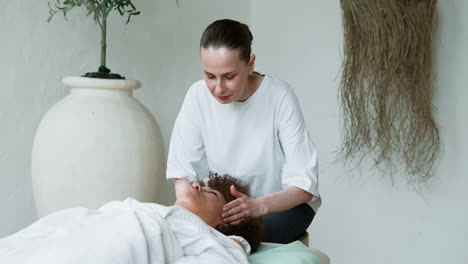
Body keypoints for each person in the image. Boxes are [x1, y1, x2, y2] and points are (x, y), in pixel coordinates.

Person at [167, 18, 320, 244]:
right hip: (226, 208)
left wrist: (258, 206)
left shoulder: (278, 96)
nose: (218, 88)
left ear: (250, 64)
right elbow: (183, 173)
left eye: (229, 77)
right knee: (188, 234)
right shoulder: (197, 96)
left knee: (230, 238)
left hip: (280, 207)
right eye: (210, 76)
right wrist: (189, 214)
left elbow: (304, 186)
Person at [0, 174, 263, 263]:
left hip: (125, 241)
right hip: (93, 223)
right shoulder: (162, 214)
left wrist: (238, 242)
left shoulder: (213, 240)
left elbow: (228, 256)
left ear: (225, 220)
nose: (196, 185)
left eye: (208, 192)